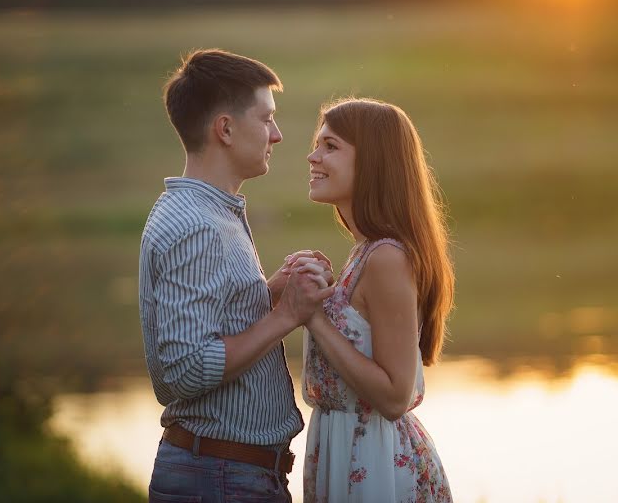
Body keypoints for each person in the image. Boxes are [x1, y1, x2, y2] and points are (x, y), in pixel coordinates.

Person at [138, 49, 335, 503]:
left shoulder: (210, 213)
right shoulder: (197, 227)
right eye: (266, 119)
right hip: (220, 478)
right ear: (224, 129)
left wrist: (268, 294)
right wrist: (286, 315)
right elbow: (184, 368)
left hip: (227, 474)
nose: (278, 134)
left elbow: (211, 326)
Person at [290, 98, 455, 502]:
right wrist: (326, 295)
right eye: (318, 144)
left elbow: (395, 396)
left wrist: (315, 319)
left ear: (372, 163)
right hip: (346, 450)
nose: (313, 156)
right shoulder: (365, 251)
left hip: (376, 461)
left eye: (330, 146)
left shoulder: (386, 257)